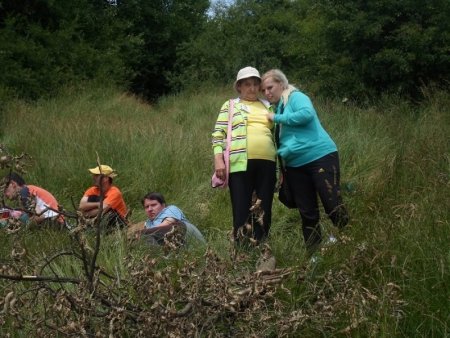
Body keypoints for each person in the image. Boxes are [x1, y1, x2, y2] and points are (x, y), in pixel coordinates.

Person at [261, 69, 349, 254]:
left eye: (270, 87)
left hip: (320, 156)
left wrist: (276, 118)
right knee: (307, 214)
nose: (267, 93)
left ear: (282, 84)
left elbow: (306, 114)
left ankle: (352, 242)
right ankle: (314, 256)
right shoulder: (276, 109)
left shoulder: (295, 97)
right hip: (294, 166)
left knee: (332, 204)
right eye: (264, 90)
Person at [212, 66, 277, 242]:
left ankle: (262, 249)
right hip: (240, 162)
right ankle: (242, 253)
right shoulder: (231, 105)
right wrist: (219, 160)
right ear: (239, 86)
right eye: (247, 84)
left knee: (264, 209)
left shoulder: (268, 105)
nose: (252, 88)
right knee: (241, 208)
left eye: (256, 84)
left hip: (268, 162)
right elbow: (218, 134)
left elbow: (278, 134)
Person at [135, 192, 205, 246]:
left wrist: (143, 232)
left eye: (153, 205)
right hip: (176, 246)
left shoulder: (171, 209)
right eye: (147, 207)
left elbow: (166, 225)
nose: (150, 209)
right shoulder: (148, 223)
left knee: (174, 226)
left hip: (190, 236)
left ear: (163, 205)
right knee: (145, 238)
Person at [79, 164, 128, 229]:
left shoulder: (115, 192)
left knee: (110, 213)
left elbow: (103, 209)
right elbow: (82, 206)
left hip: (118, 223)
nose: (93, 177)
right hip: (101, 221)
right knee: (94, 198)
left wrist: (85, 214)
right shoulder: (92, 190)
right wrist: (98, 204)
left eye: (97, 175)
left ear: (106, 178)